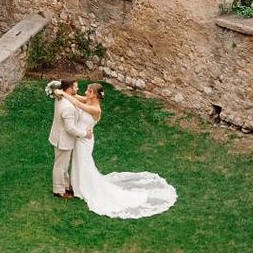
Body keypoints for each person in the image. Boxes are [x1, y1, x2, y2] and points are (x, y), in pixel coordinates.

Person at [67, 80, 177, 220]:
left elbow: (76, 103)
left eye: (87, 91)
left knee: (84, 162)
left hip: (85, 140)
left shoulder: (96, 109)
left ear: (93, 95)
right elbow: (76, 98)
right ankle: (78, 187)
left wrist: (62, 94)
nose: (84, 93)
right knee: (79, 161)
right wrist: (62, 90)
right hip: (81, 138)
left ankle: (85, 188)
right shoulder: (88, 101)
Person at [47, 78, 98, 198]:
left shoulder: (62, 97)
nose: (78, 88)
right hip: (63, 139)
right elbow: (70, 129)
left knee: (63, 165)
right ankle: (59, 190)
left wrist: (58, 91)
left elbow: (79, 100)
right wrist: (86, 133)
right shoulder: (67, 107)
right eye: (76, 87)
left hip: (61, 136)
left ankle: (65, 186)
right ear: (69, 89)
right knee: (61, 166)